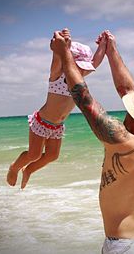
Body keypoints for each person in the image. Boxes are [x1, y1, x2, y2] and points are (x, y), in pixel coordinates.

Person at [50, 29, 134, 254]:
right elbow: (129, 90)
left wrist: (63, 53)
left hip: (125, 246)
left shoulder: (124, 142)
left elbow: (82, 96)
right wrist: (111, 51)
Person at [6, 28, 107, 189]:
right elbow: (58, 57)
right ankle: (14, 167)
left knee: (53, 155)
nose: (83, 70)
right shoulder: (57, 75)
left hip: (57, 126)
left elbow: (95, 62)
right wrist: (63, 44)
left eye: (84, 68)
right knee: (34, 154)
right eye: (79, 66)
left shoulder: (79, 79)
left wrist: (103, 45)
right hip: (42, 122)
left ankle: (29, 170)